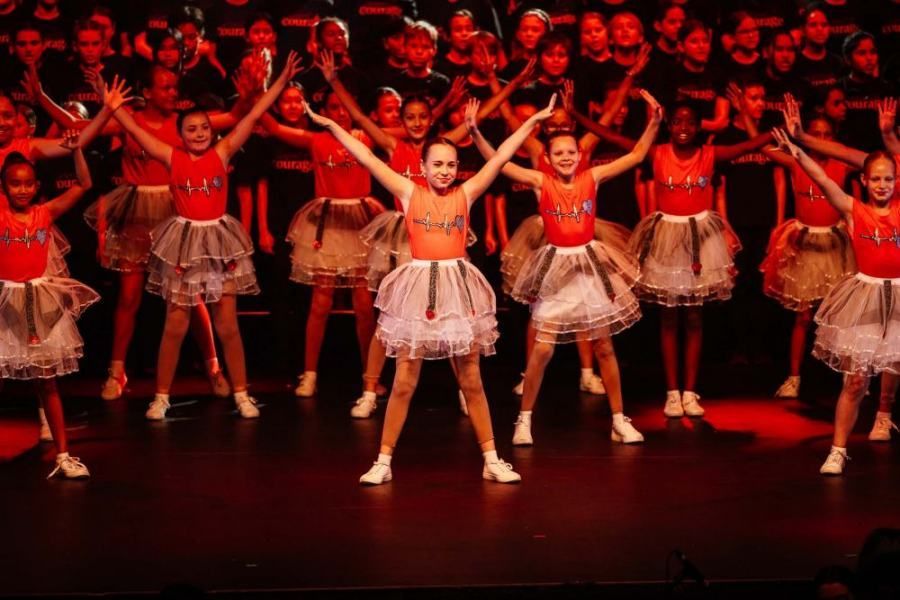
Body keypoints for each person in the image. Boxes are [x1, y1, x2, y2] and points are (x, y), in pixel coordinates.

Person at [303, 94, 558, 485]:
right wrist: (332, 126)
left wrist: (535, 120)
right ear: (421, 167)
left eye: (451, 165)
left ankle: (491, 458)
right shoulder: (410, 193)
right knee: (405, 379)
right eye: (436, 164)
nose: (444, 170)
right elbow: (368, 159)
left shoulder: (465, 193)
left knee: (471, 378)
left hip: (457, 286)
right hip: (418, 286)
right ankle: (383, 460)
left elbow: (502, 156)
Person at [107, 52, 301, 421]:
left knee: (227, 324)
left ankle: (242, 393)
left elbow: (255, 114)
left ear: (213, 132)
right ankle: (161, 397)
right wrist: (115, 108)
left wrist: (278, 81)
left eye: (203, 128)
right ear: (180, 135)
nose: (198, 134)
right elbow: (136, 132)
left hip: (218, 241)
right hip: (183, 243)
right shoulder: (171, 157)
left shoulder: (223, 151)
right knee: (176, 322)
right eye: (191, 129)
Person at [470, 90, 663, 447]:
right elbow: (499, 163)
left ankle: (619, 420)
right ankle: (524, 419)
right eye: (558, 153)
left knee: (604, 346)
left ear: (580, 155)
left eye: (571, 152)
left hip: (589, 265)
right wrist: (475, 132)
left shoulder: (593, 177)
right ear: (548, 156)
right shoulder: (541, 183)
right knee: (542, 349)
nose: (565, 158)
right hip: (557, 266)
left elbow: (637, 155)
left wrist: (653, 123)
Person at [626, 100, 770, 418]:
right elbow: (617, 140)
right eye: (677, 122)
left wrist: (786, 129)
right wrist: (580, 116)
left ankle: (690, 392)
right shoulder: (657, 153)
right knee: (667, 318)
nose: (683, 128)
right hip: (666, 238)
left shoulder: (710, 155)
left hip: (700, 238)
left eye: (690, 122)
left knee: (693, 318)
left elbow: (750, 143)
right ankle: (672, 393)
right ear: (668, 125)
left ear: (699, 127)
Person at [771, 127, 897, 475]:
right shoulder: (854, 209)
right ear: (865, 181)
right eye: (875, 179)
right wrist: (797, 153)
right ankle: (838, 449)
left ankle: (885, 416)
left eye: (888, 178)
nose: (882, 185)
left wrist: (887, 137)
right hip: (867, 294)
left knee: (893, 363)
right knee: (857, 379)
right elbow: (823, 179)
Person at [0, 139, 96, 479]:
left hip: (39, 301)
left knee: (48, 381)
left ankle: (64, 454)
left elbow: (85, 184)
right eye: (15, 183)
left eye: (28, 183)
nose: (22, 189)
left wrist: (76, 151)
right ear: (4, 187)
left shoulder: (45, 214)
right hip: (5, 302)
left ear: (37, 186)